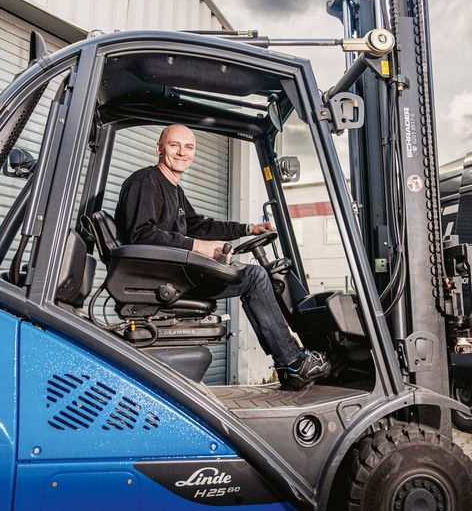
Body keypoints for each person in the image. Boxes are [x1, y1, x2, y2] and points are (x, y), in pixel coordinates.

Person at [115, 123, 331, 390]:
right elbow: (141, 234)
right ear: (159, 148)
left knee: (250, 274)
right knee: (253, 276)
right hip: (164, 281)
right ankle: (293, 362)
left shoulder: (174, 190)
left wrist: (247, 229)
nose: (183, 152)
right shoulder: (145, 181)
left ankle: (288, 364)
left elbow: (199, 225)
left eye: (189, 147)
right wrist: (199, 247)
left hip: (175, 276)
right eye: (175, 145)